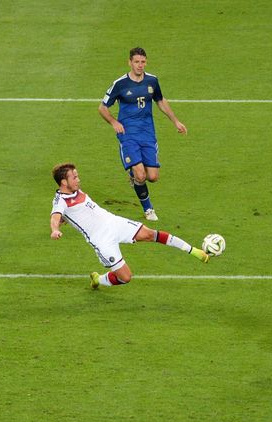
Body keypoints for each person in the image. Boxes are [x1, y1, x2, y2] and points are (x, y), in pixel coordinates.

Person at [50, 163, 208, 289]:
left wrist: (67, 219)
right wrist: (55, 229)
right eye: (75, 177)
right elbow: (55, 216)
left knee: (149, 234)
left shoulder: (75, 190)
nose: (78, 180)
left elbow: (74, 212)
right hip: (101, 239)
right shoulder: (60, 201)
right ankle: (98, 279)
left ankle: (194, 251)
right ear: (64, 182)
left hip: (113, 222)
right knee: (125, 277)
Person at [98, 47, 187, 222]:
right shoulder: (120, 84)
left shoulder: (152, 81)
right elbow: (102, 108)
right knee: (141, 175)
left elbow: (160, 101)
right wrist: (114, 122)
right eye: (137, 62)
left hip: (147, 133)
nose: (140, 65)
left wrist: (176, 121)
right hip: (128, 134)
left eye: (143, 62)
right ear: (130, 62)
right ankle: (148, 209)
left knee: (152, 177)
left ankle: (134, 176)